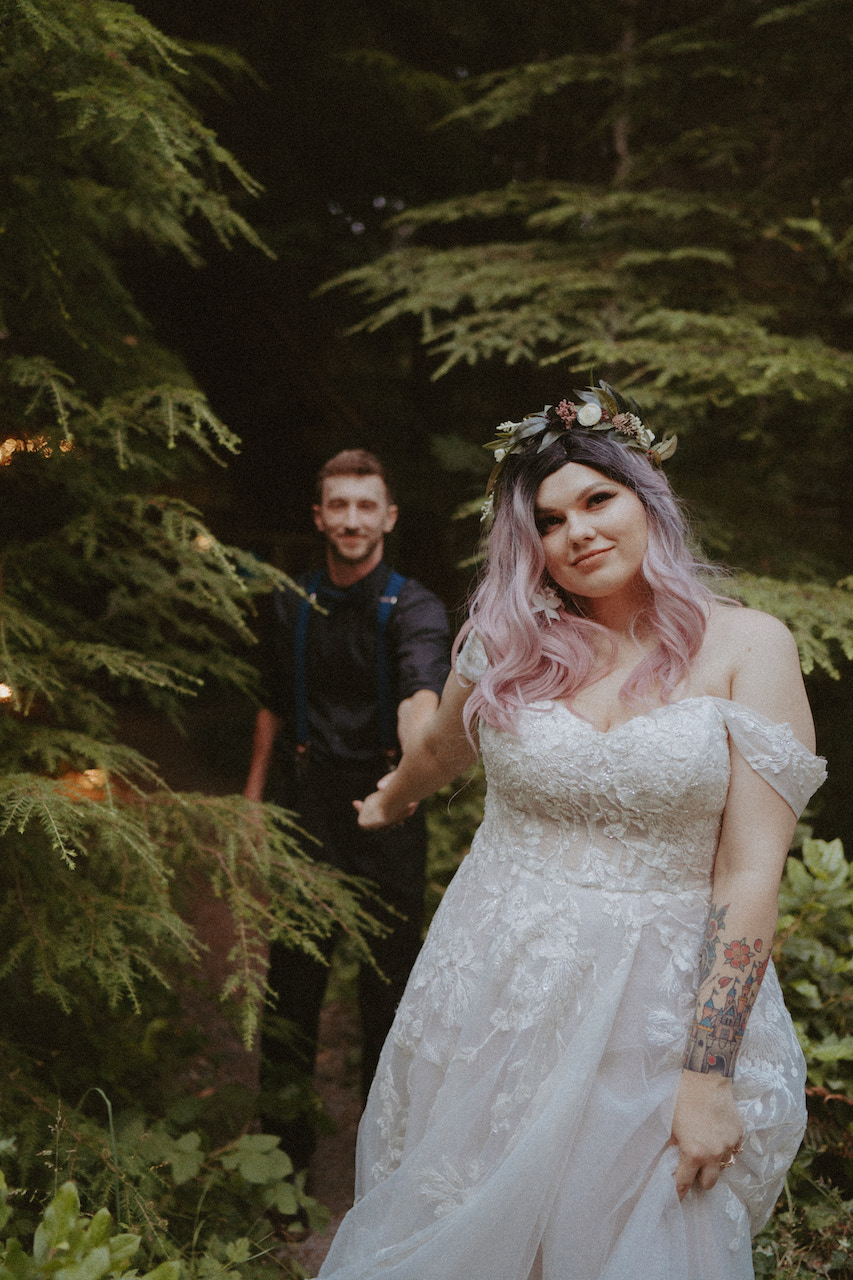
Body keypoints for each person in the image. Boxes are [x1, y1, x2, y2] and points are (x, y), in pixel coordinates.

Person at [316, 387, 826, 1280]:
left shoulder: (750, 647)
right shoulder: (510, 643)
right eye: (549, 522)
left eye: (598, 500)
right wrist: (391, 798)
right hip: (492, 989)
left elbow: (748, 872)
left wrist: (704, 1074)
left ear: (647, 501)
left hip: (654, 1005)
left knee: (625, 1237)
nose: (577, 532)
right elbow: (442, 748)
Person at [244, 449, 449, 1167]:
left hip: (388, 808)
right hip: (306, 808)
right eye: (340, 505)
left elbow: (420, 692)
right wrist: (251, 802)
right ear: (319, 516)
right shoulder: (287, 600)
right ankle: (281, 1162)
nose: (353, 520)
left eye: (367, 506)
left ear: (388, 517)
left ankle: (381, 1167)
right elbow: (271, 701)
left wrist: (412, 763)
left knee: (387, 997)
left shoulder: (415, 607)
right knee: (290, 993)